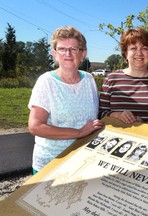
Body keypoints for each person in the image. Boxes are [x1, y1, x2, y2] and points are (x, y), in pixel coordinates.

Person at [28, 26, 104, 174]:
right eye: (62, 49)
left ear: (83, 54)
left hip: (83, 161)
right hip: (51, 163)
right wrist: (78, 132)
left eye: (74, 49)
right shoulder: (46, 82)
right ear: (54, 54)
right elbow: (35, 126)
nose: (68, 54)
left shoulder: (89, 79)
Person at [99, 28, 148, 127]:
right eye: (133, 48)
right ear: (125, 53)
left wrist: (145, 125)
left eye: (144, 48)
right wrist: (118, 115)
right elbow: (100, 114)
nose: (139, 53)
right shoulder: (111, 79)